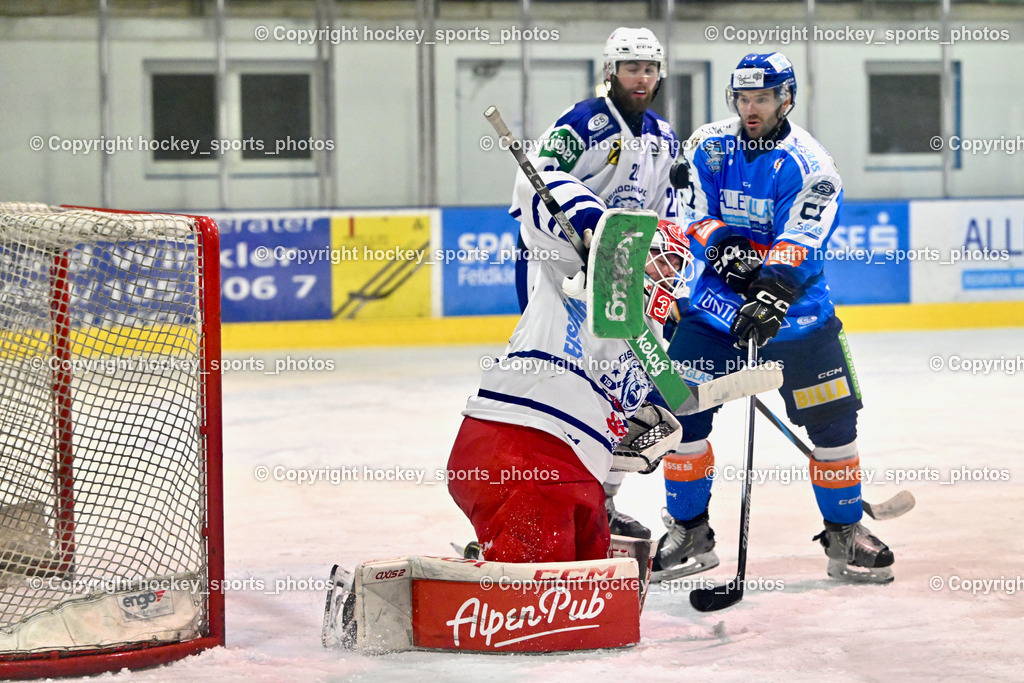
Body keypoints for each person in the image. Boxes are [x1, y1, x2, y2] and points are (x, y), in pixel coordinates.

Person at [652, 52, 895, 583]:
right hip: (714, 314)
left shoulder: (810, 165)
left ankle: (844, 533)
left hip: (800, 319)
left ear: (786, 99)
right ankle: (689, 529)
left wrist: (772, 292)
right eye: (743, 99)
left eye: (761, 98)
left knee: (834, 426)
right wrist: (724, 249)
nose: (750, 109)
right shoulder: (707, 146)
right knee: (680, 419)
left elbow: (803, 237)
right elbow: (692, 210)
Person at [447, 171, 693, 563]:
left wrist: (627, 435)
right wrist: (595, 228)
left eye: (675, 266)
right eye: (659, 257)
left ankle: (488, 561)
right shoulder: (571, 265)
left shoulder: (651, 349)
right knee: (540, 597)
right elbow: (537, 184)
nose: (667, 272)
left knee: (590, 578)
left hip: (575, 472)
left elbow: (616, 419)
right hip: (521, 444)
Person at [510, 27, 684, 540]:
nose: (642, 77)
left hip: (623, 265)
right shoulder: (583, 123)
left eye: (650, 68)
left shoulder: (663, 135)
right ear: (611, 71)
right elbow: (533, 183)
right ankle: (544, 498)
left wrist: (666, 284)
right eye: (632, 67)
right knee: (561, 376)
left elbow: (662, 218)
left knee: (619, 383)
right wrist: (585, 224)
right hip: (557, 265)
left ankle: (600, 503)